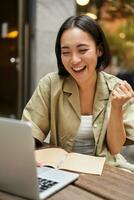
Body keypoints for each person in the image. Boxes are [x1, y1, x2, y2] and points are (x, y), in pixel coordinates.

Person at [22, 15, 134, 172]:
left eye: (82, 50)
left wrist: (116, 107)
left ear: (99, 50)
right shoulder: (50, 84)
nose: (74, 60)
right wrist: (25, 153)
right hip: (62, 170)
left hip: (106, 170)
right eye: (66, 52)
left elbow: (115, 149)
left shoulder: (116, 88)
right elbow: (30, 131)